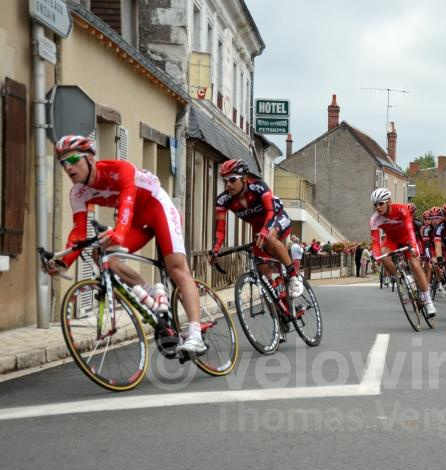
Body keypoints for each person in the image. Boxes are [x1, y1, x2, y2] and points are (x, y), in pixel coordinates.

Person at [46, 135, 206, 353]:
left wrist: (119, 233)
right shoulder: (78, 194)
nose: (68, 167)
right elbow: (78, 234)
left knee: (177, 270)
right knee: (101, 255)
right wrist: (63, 263)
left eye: (73, 159)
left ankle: (195, 334)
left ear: (90, 159)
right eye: (63, 162)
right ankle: (151, 295)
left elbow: (127, 203)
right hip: (138, 223)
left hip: (158, 208)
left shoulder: (118, 169)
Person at [210, 159, 303, 299]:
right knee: (264, 280)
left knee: (269, 238)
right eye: (225, 180)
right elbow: (220, 230)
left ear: (245, 178)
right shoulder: (223, 200)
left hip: (277, 218)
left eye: (232, 179)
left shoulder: (259, 187)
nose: (228, 185)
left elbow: (270, 211)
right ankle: (278, 310)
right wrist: (216, 248)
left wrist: (265, 232)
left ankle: (293, 276)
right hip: (258, 229)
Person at [369, 187, 436, 317]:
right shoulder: (374, 220)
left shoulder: (401, 209)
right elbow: (375, 242)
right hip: (391, 241)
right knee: (383, 253)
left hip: (407, 239)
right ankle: (401, 279)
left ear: (388, 201)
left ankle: (428, 302)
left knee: (416, 265)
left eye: (380, 203)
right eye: (375, 205)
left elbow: (410, 229)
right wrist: (375, 256)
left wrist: (414, 247)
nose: (378, 207)